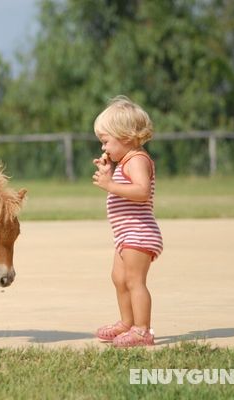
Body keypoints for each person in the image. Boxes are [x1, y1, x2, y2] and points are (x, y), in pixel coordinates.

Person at [91, 95, 163, 347]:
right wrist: (110, 175)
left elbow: (142, 191)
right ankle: (127, 323)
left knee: (134, 281)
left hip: (139, 233)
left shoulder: (138, 160)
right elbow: (126, 188)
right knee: (119, 279)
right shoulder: (124, 162)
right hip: (125, 235)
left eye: (105, 141)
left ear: (126, 136)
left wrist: (110, 185)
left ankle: (142, 330)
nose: (103, 148)